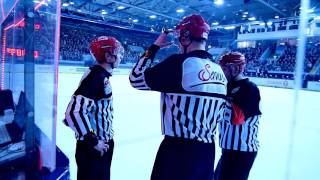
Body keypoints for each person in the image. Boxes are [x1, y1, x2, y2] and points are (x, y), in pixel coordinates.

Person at [129, 14, 228, 180]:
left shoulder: (180, 63)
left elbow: (136, 78)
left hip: (177, 153)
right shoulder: (219, 70)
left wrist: (154, 48)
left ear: (185, 37)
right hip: (207, 154)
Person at [63, 36, 124, 180]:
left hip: (99, 146)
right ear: (108, 56)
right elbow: (73, 113)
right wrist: (94, 141)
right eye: (117, 52)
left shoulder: (100, 75)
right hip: (94, 149)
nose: (121, 56)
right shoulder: (96, 77)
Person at [214, 52, 262, 180]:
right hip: (228, 150)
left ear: (235, 68)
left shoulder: (249, 89)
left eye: (224, 68)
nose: (221, 72)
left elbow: (237, 119)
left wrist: (218, 102)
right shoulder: (226, 86)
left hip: (242, 151)